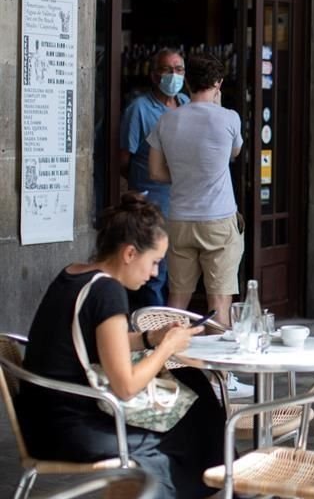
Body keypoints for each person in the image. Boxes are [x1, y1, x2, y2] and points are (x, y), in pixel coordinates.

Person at [16, 193, 225, 498]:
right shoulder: (108, 292)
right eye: (154, 262)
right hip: (72, 428)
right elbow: (125, 387)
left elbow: (100, 341)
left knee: (193, 386)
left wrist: (151, 338)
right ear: (129, 254)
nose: (155, 273)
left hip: (41, 418)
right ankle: (224, 483)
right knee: (193, 424)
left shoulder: (74, 274)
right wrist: (166, 348)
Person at [147, 53, 252, 399]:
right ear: (219, 83)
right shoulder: (229, 118)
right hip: (219, 218)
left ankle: (172, 372)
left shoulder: (167, 120)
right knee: (219, 300)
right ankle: (223, 380)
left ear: (187, 82)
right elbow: (234, 154)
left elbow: (157, 173)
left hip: (180, 218)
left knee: (177, 300)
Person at [118, 48, 189, 309]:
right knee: (153, 275)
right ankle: (150, 333)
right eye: (167, 69)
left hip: (182, 205)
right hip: (152, 204)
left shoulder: (186, 103)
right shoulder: (139, 109)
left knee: (178, 274)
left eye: (179, 69)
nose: (174, 75)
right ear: (153, 74)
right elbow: (124, 159)